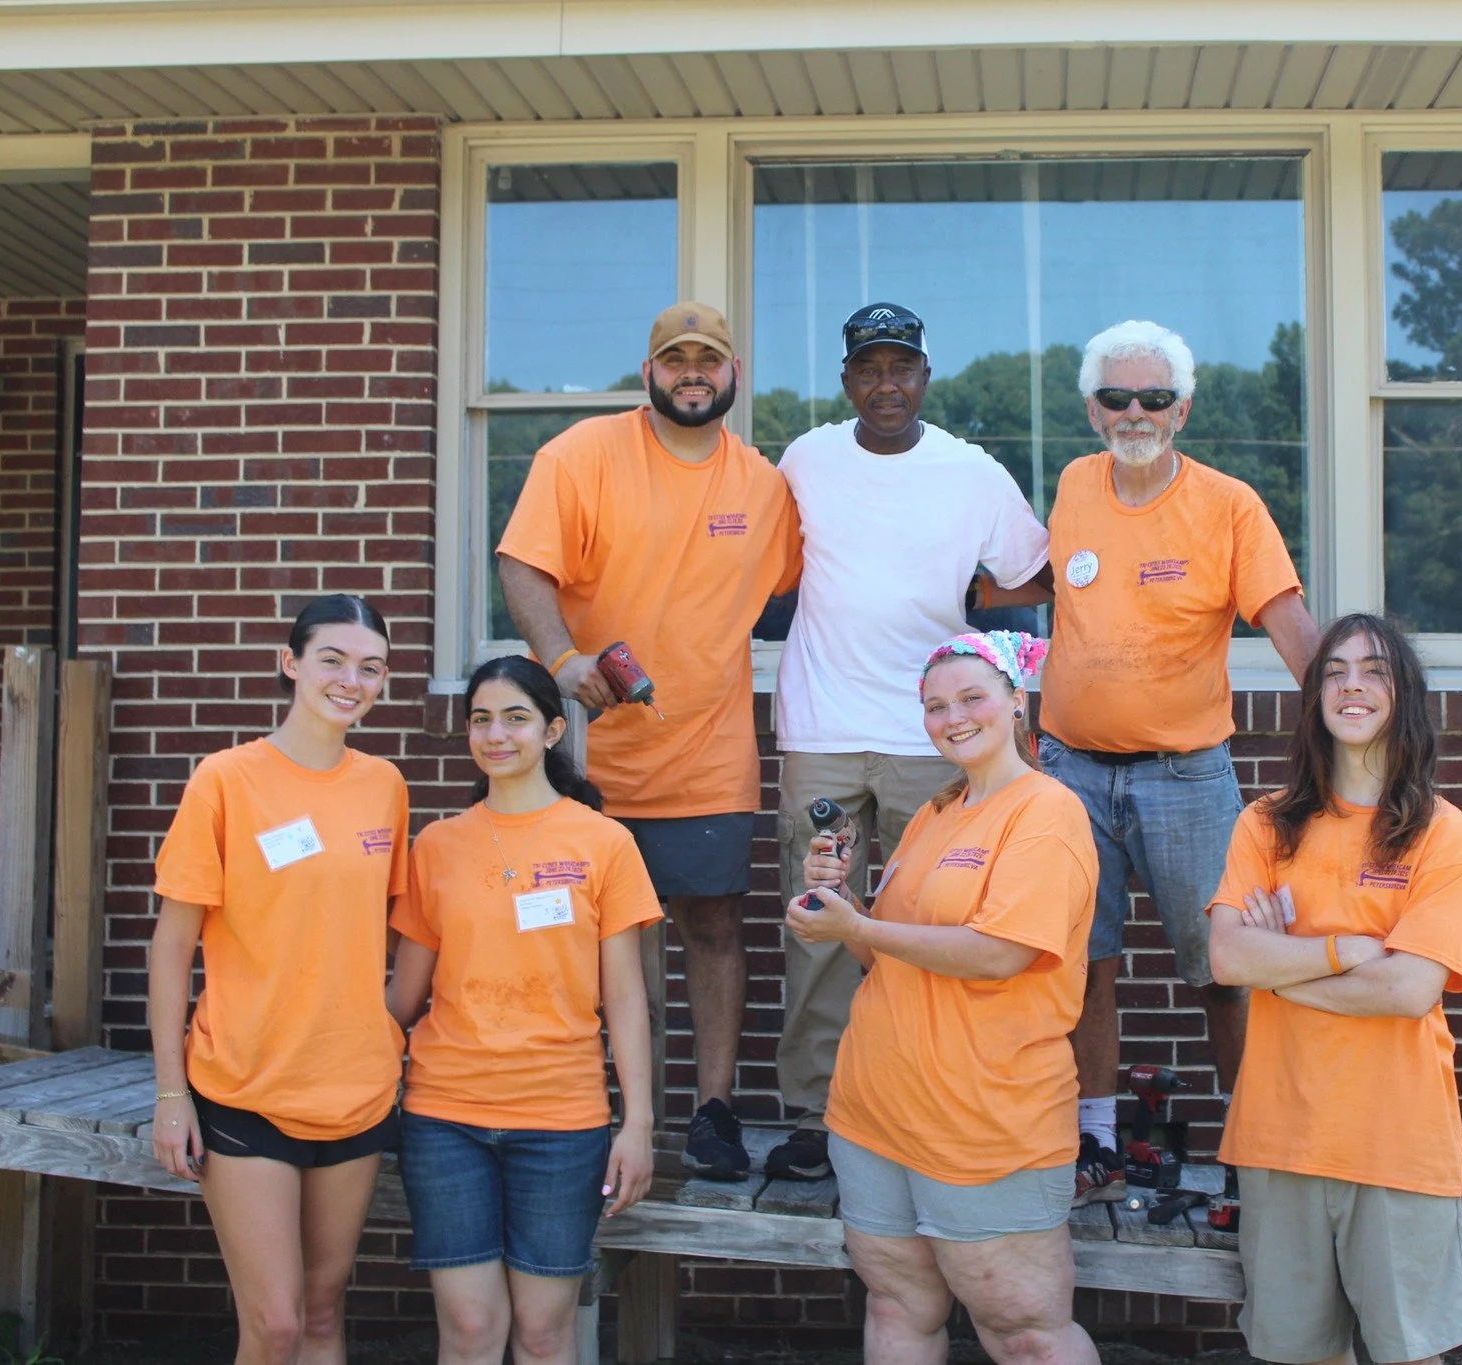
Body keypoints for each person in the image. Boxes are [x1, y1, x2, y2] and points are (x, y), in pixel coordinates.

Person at [496, 301, 800, 1181]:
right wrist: (561, 656)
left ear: (735, 375)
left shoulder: (763, 486)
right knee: (575, 934)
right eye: (676, 360)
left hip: (707, 750)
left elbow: (804, 585)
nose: (693, 373)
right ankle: (583, 1103)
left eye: (709, 359)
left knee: (712, 925)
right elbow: (522, 562)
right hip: (587, 757)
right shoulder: (582, 455)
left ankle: (710, 1110)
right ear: (649, 372)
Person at [1019, 319, 1320, 1204]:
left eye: (1154, 397)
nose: (1135, 412)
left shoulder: (1229, 504)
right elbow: (1037, 587)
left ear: (1183, 409)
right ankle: (1097, 1141)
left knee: (1221, 967)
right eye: (1116, 397)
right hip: (1070, 769)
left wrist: (1353, 722)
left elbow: (1291, 623)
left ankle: (1249, 1147)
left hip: (1187, 775)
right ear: (1091, 409)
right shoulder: (1074, 483)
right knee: (1085, 963)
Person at [770, 303, 1050, 1181]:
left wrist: (968, 604)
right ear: (847, 380)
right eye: (868, 369)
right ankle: (816, 1114)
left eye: (902, 368)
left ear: (926, 376)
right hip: (821, 725)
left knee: (935, 919)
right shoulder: (805, 459)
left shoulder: (971, 472)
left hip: (937, 733)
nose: (885, 384)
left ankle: (931, 1097)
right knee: (819, 920)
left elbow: (1034, 576)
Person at [788, 631, 1099, 1365]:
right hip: (876, 1113)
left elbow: (1000, 952)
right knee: (900, 1307)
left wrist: (860, 924)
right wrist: (840, 905)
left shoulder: (1046, 812)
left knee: (1025, 1333)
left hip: (987, 1125)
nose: (952, 715)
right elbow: (879, 953)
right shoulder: (936, 812)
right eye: (934, 705)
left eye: (970, 697)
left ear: (1016, 702)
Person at [1206, 613, 1462, 1365]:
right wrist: (1345, 951)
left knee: (1408, 1355)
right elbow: (1228, 958)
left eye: (1374, 671)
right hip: (1279, 1136)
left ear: (1405, 697)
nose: (1351, 685)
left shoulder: (1442, 832)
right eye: (1334, 671)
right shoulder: (1265, 824)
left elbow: (1409, 989)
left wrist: (1287, 963)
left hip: (1397, 1138)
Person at [149, 594, 408, 1365]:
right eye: (332, 659)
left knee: (325, 1313)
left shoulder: (385, 786)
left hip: (354, 1088)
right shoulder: (226, 780)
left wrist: (385, 1027)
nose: (350, 679)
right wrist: (170, 1093)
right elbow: (172, 947)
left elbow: (393, 928)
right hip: (245, 1084)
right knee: (277, 1326)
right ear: (291, 663)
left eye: (371, 667)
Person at [387, 656, 660, 1365]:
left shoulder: (603, 842)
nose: (495, 733)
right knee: (471, 1330)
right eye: (481, 718)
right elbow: (402, 999)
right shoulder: (438, 846)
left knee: (544, 1335)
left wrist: (638, 1123)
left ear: (553, 730)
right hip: (446, 1119)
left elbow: (627, 998)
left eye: (515, 717)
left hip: (562, 1124)